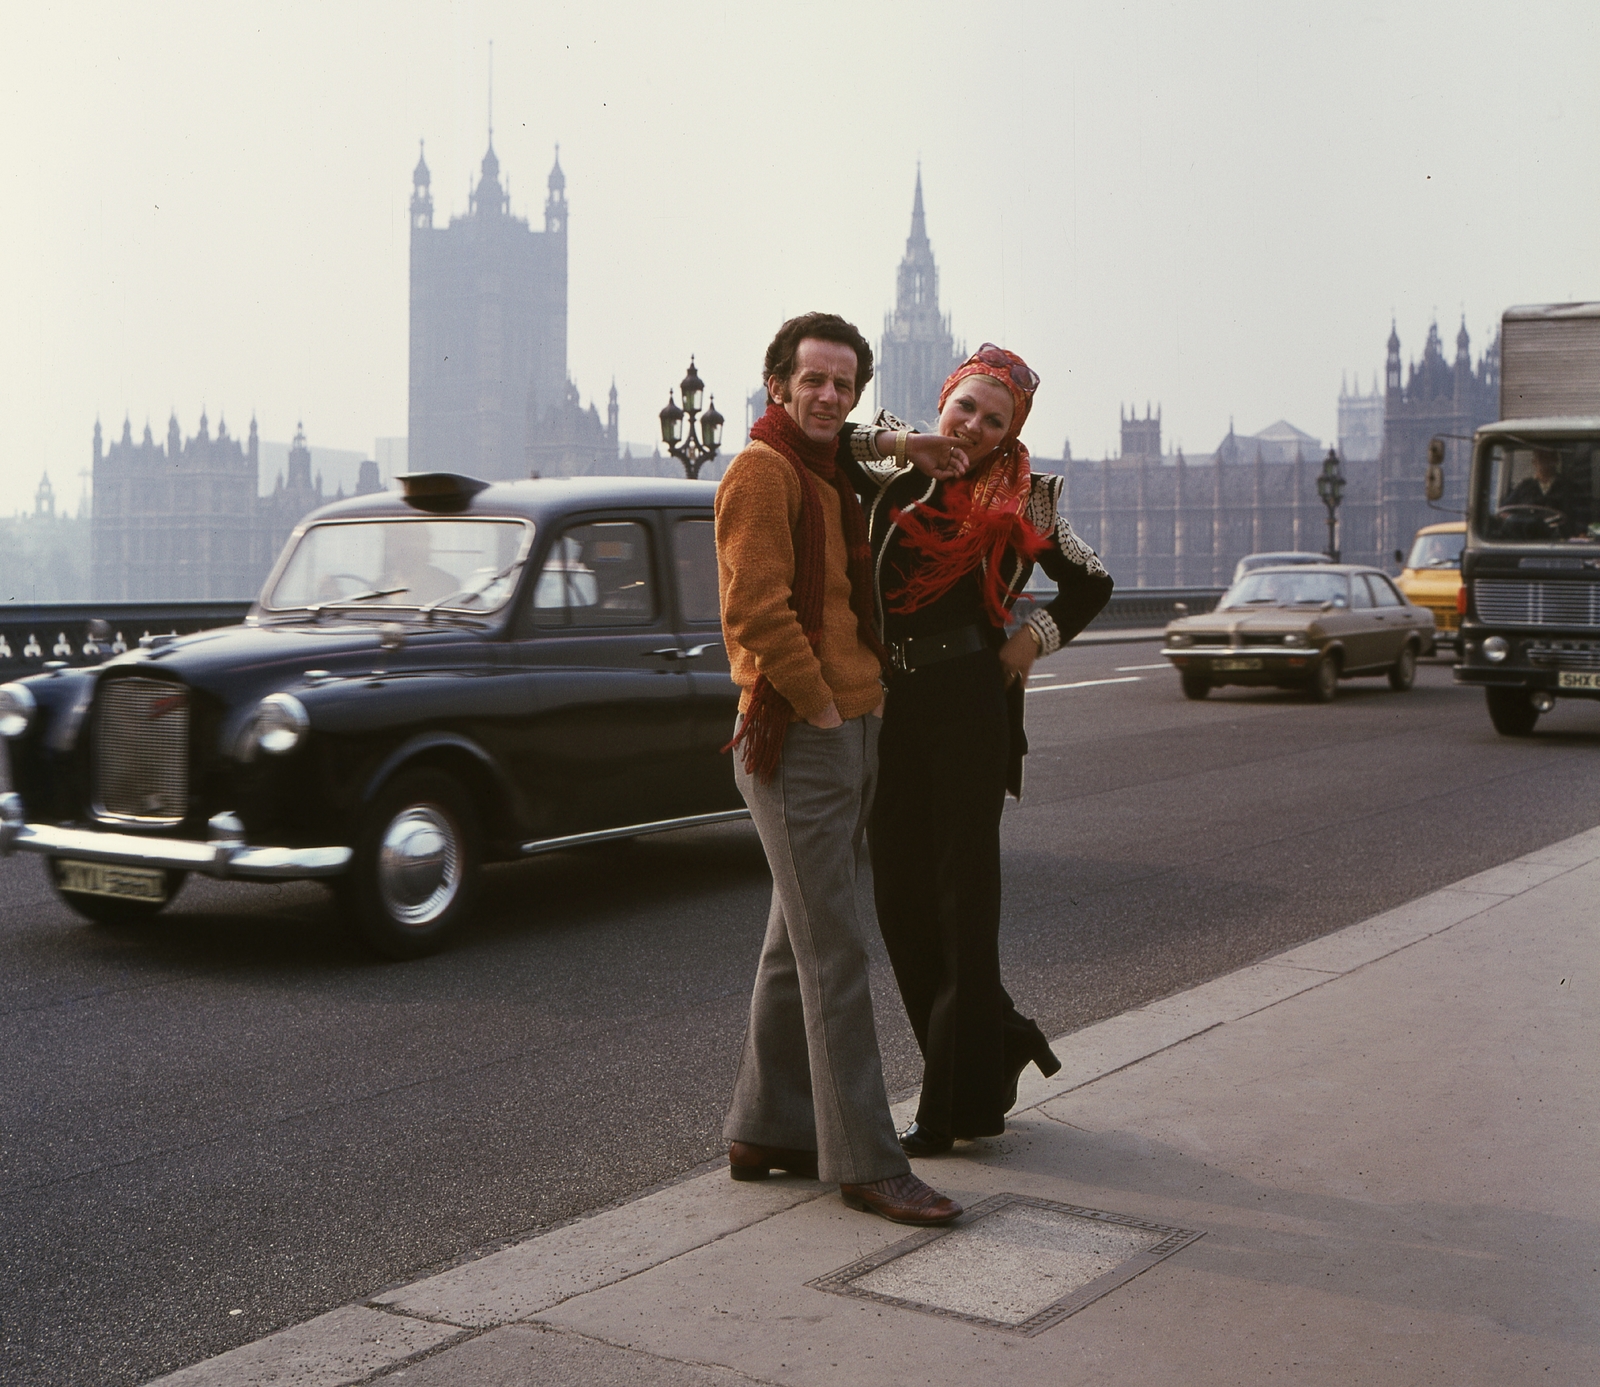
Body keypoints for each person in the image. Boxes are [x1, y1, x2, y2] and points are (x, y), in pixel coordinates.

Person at [714, 312, 967, 1225]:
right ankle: (865, 1158)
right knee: (836, 951)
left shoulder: (827, 467)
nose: (829, 395)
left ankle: (763, 1129)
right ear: (777, 383)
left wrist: (856, 713)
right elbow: (756, 610)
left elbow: (866, 442)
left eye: (844, 382)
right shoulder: (762, 471)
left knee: (797, 944)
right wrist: (819, 704)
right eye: (812, 379)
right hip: (800, 734)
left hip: (851, 729)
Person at [839, 345, 1114, 1156]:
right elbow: (828, 438)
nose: (975, 427)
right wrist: (903, 445)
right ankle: (999, 1040)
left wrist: (1033, 637)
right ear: (945, 399)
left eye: (996, 420)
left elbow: (1091, 583)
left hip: (970, 703)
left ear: (1012, 430)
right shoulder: (894, 470)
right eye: (966, 408)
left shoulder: (1030, 498)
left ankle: (951, 1105)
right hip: (895, 703)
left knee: (963, 904)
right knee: (897, 897)